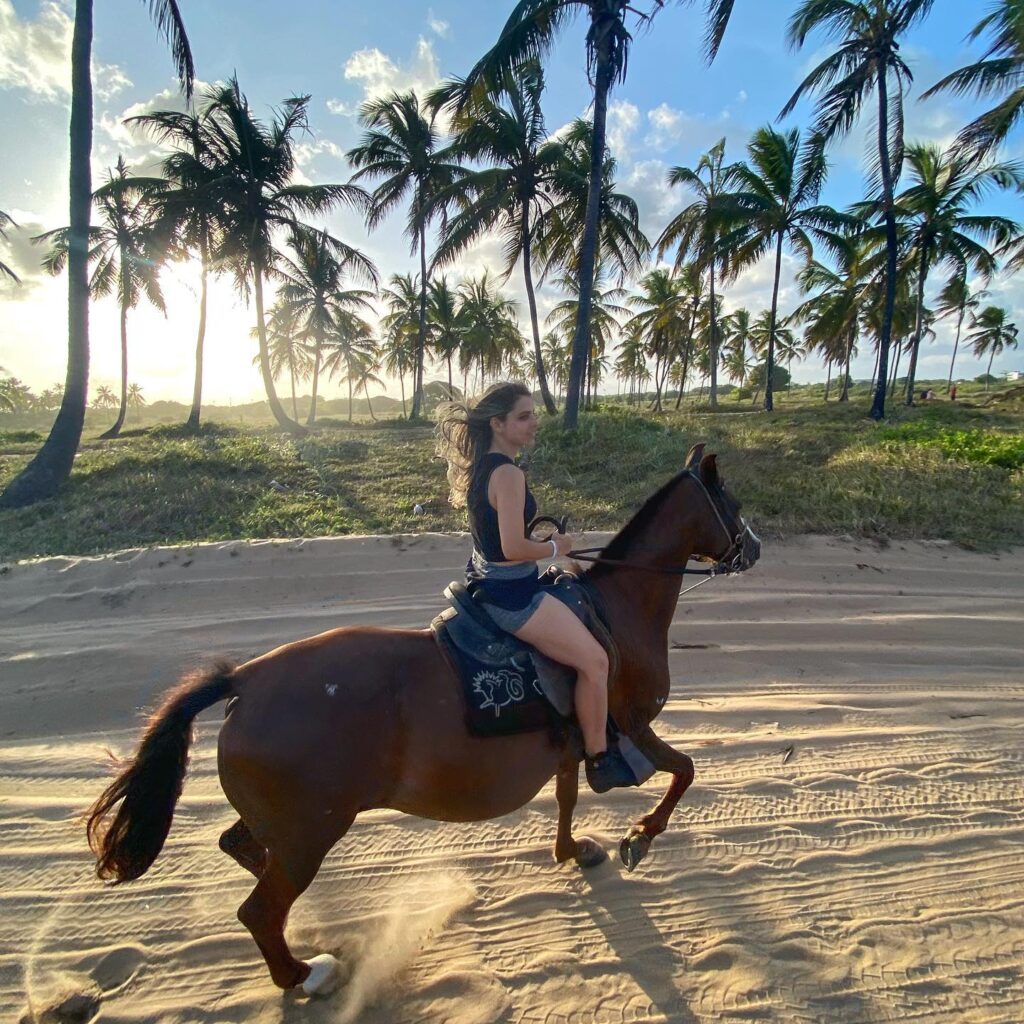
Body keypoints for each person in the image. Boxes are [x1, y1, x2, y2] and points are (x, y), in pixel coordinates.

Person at [436, 381, 635, 793]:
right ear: (498, 424)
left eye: (533, 414)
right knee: (596, 662)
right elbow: (512, 547)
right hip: (513, 597)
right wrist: (554, 548)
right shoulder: (507, 474)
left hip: (488, 581)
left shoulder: (484, 467)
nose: (534, 423)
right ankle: (600, 758)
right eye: (523, 416)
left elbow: (491, 544)